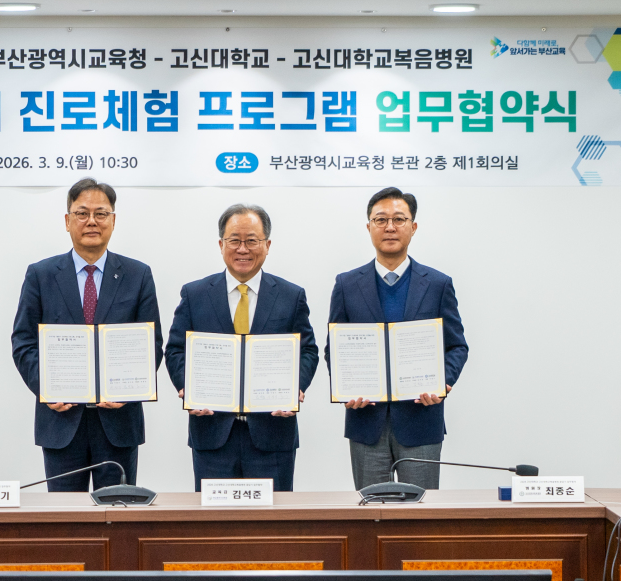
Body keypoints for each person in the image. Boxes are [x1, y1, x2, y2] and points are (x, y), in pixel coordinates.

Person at [11, 178, 163, 491]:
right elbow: (23, 342)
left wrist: (128, 391)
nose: (91, 221)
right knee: (66, 516)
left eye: (101, 213)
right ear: (67, 221)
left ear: (113, 220)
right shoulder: (41, 275)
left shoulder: (138, 275)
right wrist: (47, 387)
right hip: (61, 421)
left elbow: (152, 345)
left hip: (119, 422)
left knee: (117, 510)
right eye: (82, 213)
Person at [165, 204, 319, 491]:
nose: (243, 249)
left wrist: (294, 388)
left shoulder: (291, 295)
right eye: (234, 240)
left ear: (267, 245)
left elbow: (308, 351)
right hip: (212, 431)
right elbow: (175, 350)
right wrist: (189, 388)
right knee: (214, 517)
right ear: (221, 244)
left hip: (273, 433)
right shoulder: (195, 294)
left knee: (271, 516)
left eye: (252, 240)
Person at [325, 187, 469, 490]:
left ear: (413, 227)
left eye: (399, 219)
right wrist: (346, 388)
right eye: (381, 220)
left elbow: (456, 345)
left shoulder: (438, 284)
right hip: (366, 421)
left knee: (421, 509)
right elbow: (334, 349)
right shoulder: (347, 284)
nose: (390, 227)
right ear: (368, 227)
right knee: (371, 507)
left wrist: (442, 382)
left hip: (421, 419)